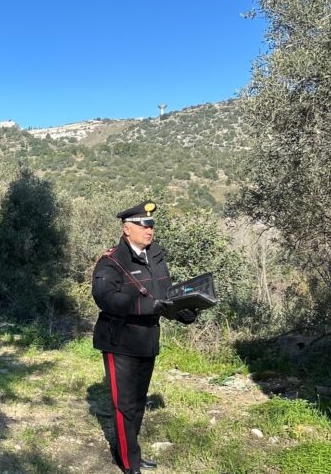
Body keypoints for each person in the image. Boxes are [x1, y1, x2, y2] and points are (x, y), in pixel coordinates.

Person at [91, 200, 197, 473]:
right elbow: (106, 299)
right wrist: (151, 307)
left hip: (147, 339)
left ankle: (128, 451)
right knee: (124, 405)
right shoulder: (112, 260)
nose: (149, 230)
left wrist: (182, 312)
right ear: (127, 229)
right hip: (120, 342)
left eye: (151, 225)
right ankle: (129, 463)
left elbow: (164, 297)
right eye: (143, 225)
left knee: (138, 402)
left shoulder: (157, 256)